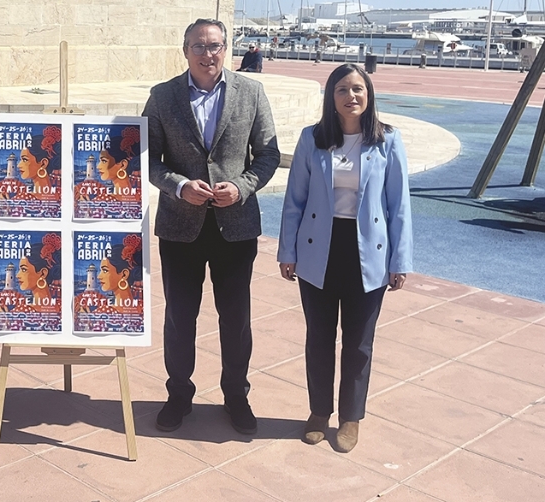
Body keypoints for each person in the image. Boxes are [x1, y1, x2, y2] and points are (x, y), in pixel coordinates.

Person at [144, 18, 280, 434]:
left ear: (227, 49)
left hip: (234, 227)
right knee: (180, 317)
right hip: (180, 227)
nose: (208, 54)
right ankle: (178, 394)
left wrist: (240, 188)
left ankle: (236, 396)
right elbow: (146, 158)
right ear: (185, 50)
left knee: (235, 318)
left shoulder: (252, 92)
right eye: (199, 46)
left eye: (216, 46)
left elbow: (268, 156)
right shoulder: (163, 96)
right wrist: (179, 185)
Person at [277, 63, 412, 453]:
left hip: (367, 249)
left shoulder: (387, 140)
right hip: (320, 247)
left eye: (358, 89)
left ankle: (351, 417)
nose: (350, 96)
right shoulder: (313, 138)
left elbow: (399, 205)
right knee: (318, 337)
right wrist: (288, 250)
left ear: (368, 95)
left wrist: (399, 260)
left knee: (358, 342)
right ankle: (319, 412)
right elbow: (294, 201)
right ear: (330, 98)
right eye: (342, 90)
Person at [15, 233, 62, 313]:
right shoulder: (61, 306)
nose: (17, 275)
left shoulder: (22, 311)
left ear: (43, 273)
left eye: (23, 269)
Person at [97, 235, 144, 315]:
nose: (99, 276)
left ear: (124, 274)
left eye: (105, 270)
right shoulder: (142, 307)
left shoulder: (103, 313)